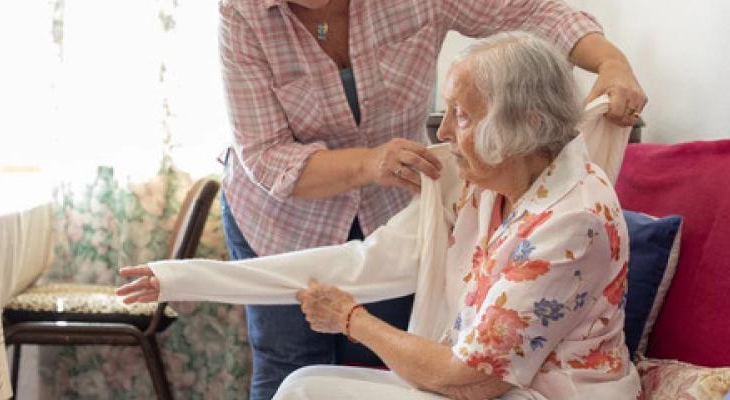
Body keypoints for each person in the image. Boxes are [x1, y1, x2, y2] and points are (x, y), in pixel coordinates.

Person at [119, 31, 640, 399]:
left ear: (526, 124)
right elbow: (359, 263)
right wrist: (178, 278)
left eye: (460, 115)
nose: (440, 134)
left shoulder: (570, 220)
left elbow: (471, 375)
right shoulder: (482, 181)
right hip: (489, 383)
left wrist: (350, 320)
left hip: (545, 394)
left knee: (305, 391)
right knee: (300, 384)